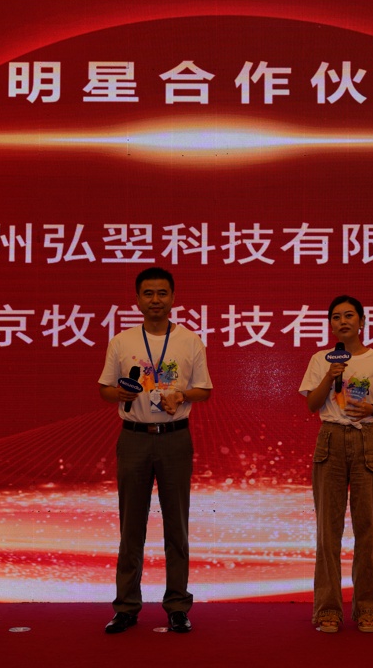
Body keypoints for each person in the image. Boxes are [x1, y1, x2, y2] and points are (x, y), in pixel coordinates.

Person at [98, 267, 212, 634]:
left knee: (177, 526)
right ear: (137, 300)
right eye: (148, 294)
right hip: (133, 437)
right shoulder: (122, 341)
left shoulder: (190, 340)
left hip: (175, 438)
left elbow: (204, 389)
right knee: (131, 526)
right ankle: (126, 607)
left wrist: (182, 394)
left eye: (162, 293)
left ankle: (177, 606)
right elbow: (105, 389)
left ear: (173, 298)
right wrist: (119, 393)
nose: (156, 300)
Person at [298, 295, 373, 634]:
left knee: (367, 528)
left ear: (362, 321)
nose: (342, 322)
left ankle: (367, 608)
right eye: (336, 317)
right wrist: (330, 376)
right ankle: (327, 609)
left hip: (366, 439)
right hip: (330, 439)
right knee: (328, 530)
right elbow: (312, 403)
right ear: (330, 324)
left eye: (349, 316)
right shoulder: (321, 359)